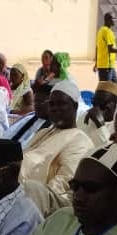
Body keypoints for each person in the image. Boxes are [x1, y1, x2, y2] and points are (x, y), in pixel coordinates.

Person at [18, 80, 95, 215]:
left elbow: (63, 184)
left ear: (75, 106)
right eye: (52, 104)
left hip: (34, 201)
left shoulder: (80, 140)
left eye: (61, 104)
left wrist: (30, 194)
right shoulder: (46, 131)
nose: (54, 108)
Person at [3, 82, 53, 148]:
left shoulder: (52, 128)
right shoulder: (30, 117)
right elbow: (9, 134)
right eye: (35, 101)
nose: (36, 105)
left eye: (41, 102)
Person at [80, 81, 117, 147]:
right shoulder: (86, 115)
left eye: (101, 104)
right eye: (94, 103)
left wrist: (100, 125)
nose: (96, 109)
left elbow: (111, 152)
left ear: (112, 105)